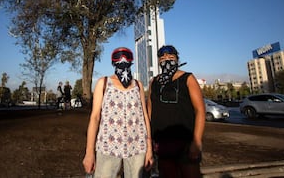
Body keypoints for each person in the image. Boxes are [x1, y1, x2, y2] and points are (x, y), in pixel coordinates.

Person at [82, 47, 153, 178]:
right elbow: (95, 118)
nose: (123, 60)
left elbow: (144, 117)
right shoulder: (103, 83)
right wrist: (89, 152)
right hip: (108, 147)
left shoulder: (138, 85)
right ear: (113, 61)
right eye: (118, 56)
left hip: (137, 147)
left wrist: (149, 149)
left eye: (127, 56)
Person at [147, 45, 206, 178]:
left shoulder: (188, 78)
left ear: (177, 60)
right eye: (162, 57)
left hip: (185, 143)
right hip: (162, 144)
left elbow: (200, 110)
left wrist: (196, 142)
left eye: (171, 57)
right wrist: (149, 140)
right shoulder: (154, 82)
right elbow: (149, 111)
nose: (166, 59)